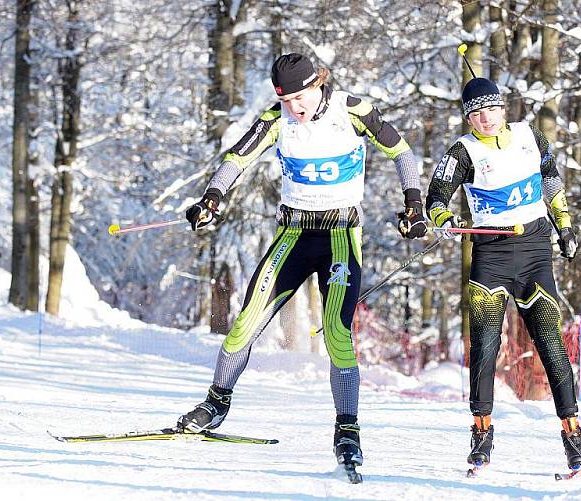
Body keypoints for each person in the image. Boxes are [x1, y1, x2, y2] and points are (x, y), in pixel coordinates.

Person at [178, 53, 428, 470]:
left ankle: (347, 430)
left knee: (336, 331)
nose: (295, 107)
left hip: (340, 235)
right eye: (286, 99)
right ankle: (215, 404)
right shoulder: (276, 118)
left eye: (300, 97)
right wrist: (212, 197)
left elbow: (401, 152)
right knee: (245, 323)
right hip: (293, 233)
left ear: (319, 84)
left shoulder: (353, 110)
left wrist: (415, 203)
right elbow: (237, 158)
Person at [425, 77, 581, 472]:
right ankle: (481, 434)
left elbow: (551, 180)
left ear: (503, 108)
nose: (485, 118)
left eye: (491, 109)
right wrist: (443, 218)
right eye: (475, 113)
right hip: (492, 256)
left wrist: (564, 226)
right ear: (468, 118)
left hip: (535, 252)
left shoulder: (529, 136)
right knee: (483, 346)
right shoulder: (462, 152)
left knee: (551, 346)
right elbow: (435, 197)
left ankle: (574, 438)